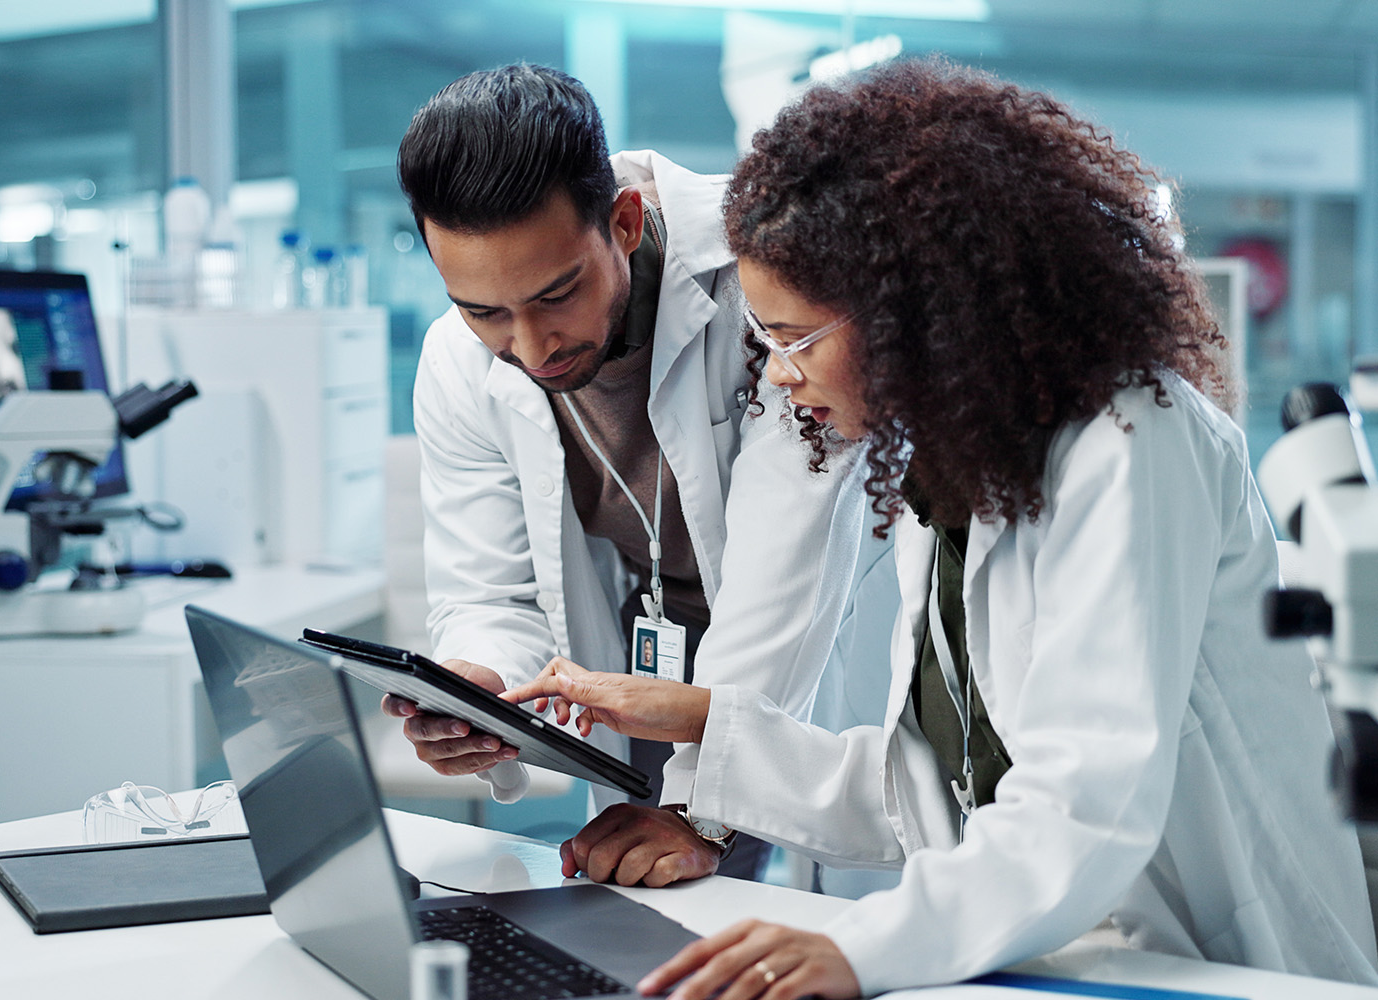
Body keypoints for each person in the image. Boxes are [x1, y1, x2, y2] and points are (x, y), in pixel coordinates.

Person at [506, 58, 1378, 998]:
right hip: (1069, 957)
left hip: (1216, 966)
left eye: (797, 340)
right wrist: (706, 723)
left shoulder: (1132, 440)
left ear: (917, 314)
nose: (779, 377)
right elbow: (930, 798)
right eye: (766, 343)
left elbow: (1083, 809)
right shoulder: (945, 476)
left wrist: (860, 951)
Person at [387, 63, 857, 883]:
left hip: (814, 642)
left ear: (627, 221)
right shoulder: (455, 363)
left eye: (557, 294)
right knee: (663, 908)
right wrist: (480, 685)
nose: (531, 349)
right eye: (484, 310)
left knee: (846, 900)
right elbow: (488, 591)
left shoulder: (765, 274)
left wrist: (698, 809)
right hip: (648, 661)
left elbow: (794, 566)